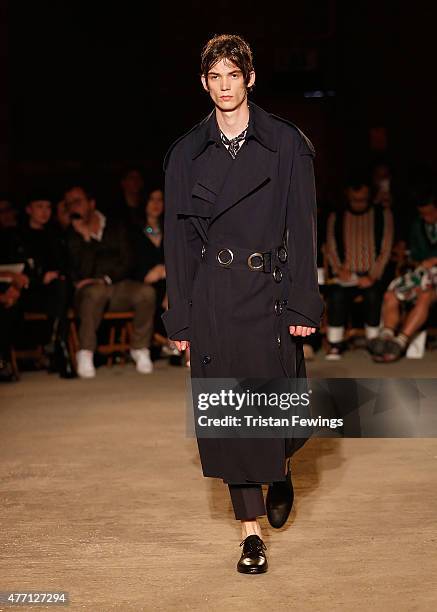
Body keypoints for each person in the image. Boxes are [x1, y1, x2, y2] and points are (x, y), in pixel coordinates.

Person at [161, 34, 323, 573]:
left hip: (270, 291)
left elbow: (302, 226)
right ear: (203, 83)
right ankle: (250, 534)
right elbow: (178, 241)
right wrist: (180, 316)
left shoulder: (286, 143)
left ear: (250, 79)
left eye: (234, 75)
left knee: (280, 411)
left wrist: (304, 302)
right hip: (214, 297)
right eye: (215, 77)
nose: (225, 86)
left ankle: (280, 465)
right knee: (231, 418)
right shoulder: (186, 153)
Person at [64, 184, 156, 378]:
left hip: (120, 283)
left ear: (91, 203)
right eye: (69, 203)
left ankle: (140, 348)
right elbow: (81, 271)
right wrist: (85, 238)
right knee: (95, 292)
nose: (74, 206)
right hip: (90, 291)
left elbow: (129, 260)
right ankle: (86, 351)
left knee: (146, 292)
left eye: (78, 201)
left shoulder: (116, 225)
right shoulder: (71, 234)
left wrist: (106, 278)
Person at [324, 178, 394, 359]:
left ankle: (373, 342)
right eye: (355, 200)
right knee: (337, 295)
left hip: (372, 274)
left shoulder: (382, 215)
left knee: (373, 295)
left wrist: (372, 275)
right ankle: (335, 344)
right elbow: (330, 246)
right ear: (348, 196)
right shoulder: (337, 216)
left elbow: (386, 248)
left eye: (363, 199)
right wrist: (339, 270)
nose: (359, 204)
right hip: (345, 274)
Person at [368, 190, 437, 362]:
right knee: (391, 294)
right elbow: (414, 254)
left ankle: (400, 342)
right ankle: (386, 337)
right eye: (422, 213)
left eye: (429, 212)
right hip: (420, 273)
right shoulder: (417, 225)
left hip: (433, 281)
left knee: (425, 294)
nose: (426, 216)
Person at [21, 193, 76, 378]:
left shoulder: (55, 235)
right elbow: (15, 270)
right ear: (29, 209)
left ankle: (57, 343)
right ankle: (58, 345)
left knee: (61, 287)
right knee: (59, 292)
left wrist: (56, 276)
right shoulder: (17, 236)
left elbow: (67, 265)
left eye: (48, 207)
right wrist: (40, 279)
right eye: (39, 206)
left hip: (55, 293)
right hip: (29, 291)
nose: (44, 212)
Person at [131, 186, 183, 364]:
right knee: (165, 292)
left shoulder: (171, 227)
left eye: (160, 200)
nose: (156, 204)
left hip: (168, 283)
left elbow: (180, 256)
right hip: (141, 283)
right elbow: (129, 262)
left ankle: (173, 343)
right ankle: (172, 343)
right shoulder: (133, 229)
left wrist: (166, 270)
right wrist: (148, 274)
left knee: (177, 290)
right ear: (144, 202)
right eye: (152, 199)